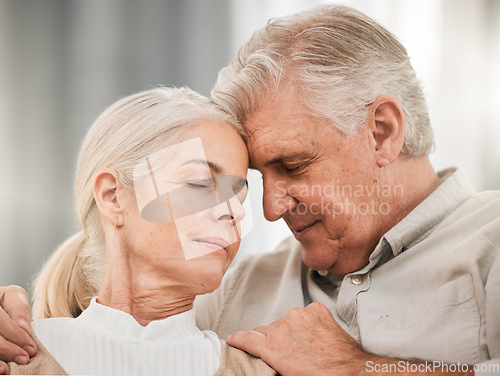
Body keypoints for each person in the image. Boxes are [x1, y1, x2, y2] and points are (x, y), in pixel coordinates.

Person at [0, 4, 499, 376]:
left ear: (383, 131)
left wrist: (361, 368)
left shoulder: (492, 246)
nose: (266, 207)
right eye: (257, 180)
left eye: (293, 164)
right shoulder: (234, 288)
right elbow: (123, 330)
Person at [0, 87, 276, 375]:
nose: (235, 211)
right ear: (112, 197)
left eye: (239, 197)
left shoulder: (263, 371)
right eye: (199, 182)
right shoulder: (15, 359)